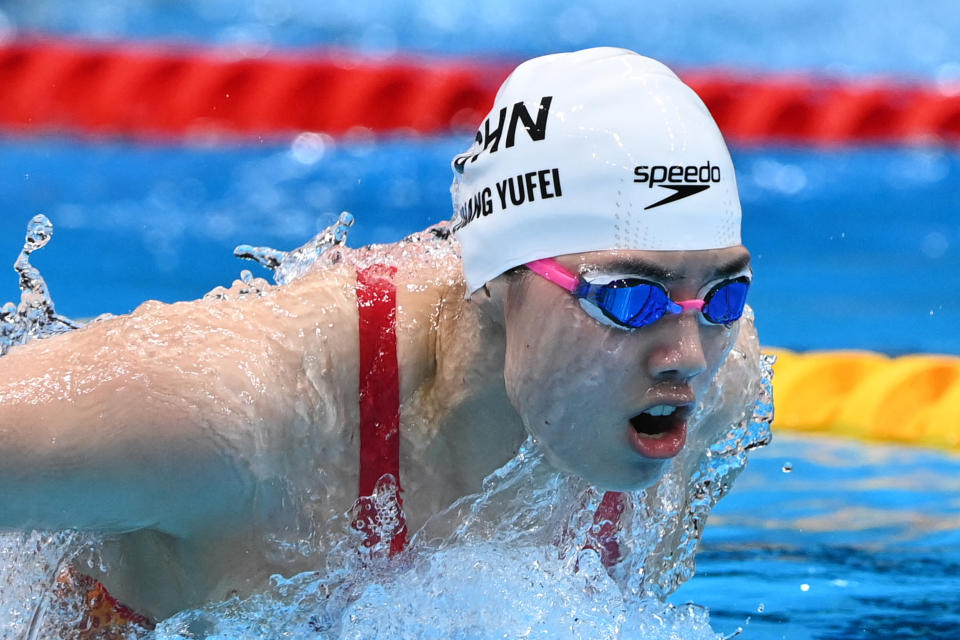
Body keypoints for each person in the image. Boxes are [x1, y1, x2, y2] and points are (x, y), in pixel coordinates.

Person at [0, 47, 760, 625]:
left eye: (723, 295)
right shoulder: (238, 425)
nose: (687, 357)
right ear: (499, 277)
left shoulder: (715, 392)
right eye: (628, 298)